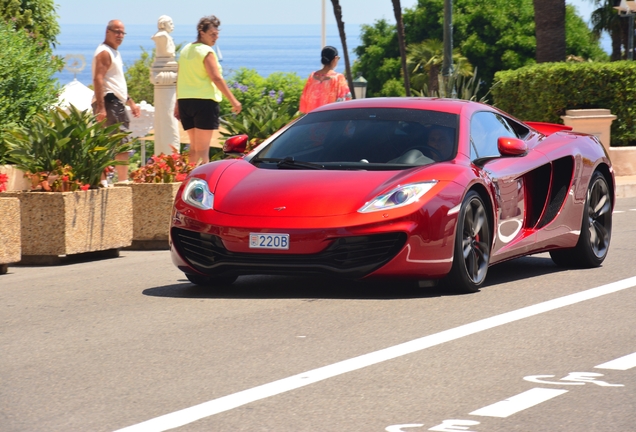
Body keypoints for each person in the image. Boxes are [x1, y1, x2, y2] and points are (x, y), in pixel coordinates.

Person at [174, 15, 241, 165]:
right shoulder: (206, 51)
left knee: (194, 148)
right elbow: (216, 78)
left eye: (216, 34)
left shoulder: (185, 50)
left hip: (186, 102)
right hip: (204, 102)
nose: (215, 38)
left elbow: (179, 77)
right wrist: (233, 100)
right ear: (201, 32)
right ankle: (201, 183)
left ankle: (188, 179)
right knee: (203, 150)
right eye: (212, 34)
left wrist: (177, 102)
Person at [92, 19, 140, 184]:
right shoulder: (104, 52)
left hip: (114, 101)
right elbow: (98, 79)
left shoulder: (113, 53)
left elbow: (114, 82)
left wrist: (130, 102)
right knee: (119, 141)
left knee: (112, 140)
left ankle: (105, 180)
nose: (120, 35)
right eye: (116, 32)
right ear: (108, 32)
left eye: (122, 33)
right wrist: (101, 107)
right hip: (109, 102)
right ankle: (122, 180)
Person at [299, 46, 352, 114]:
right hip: (329, 120)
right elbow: (346, 101)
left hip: (312, 119)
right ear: (335, 58)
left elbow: (304, 101)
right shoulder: (338, 78)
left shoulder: (312, 77)